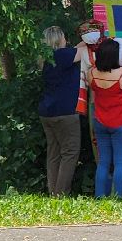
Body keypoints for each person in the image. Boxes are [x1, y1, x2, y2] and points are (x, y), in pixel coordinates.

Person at [87, 38, 122, 199]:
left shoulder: (91, 73)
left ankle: (99, 197)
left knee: (103, 162)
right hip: (120, 124)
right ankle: (118, 198)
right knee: (120, 163)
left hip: (100, 123)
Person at [37, 26, 81, 196]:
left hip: (47, 112)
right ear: (58, 39)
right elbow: (82, 51)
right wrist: (92, 35)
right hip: (66, 112)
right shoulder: (63, 55)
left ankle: (53, 192)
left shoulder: (48, 58)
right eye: (63, 36)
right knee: (70, 153)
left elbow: (76, 50)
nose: (66, 39)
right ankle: (61, 194)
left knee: (54, 153)